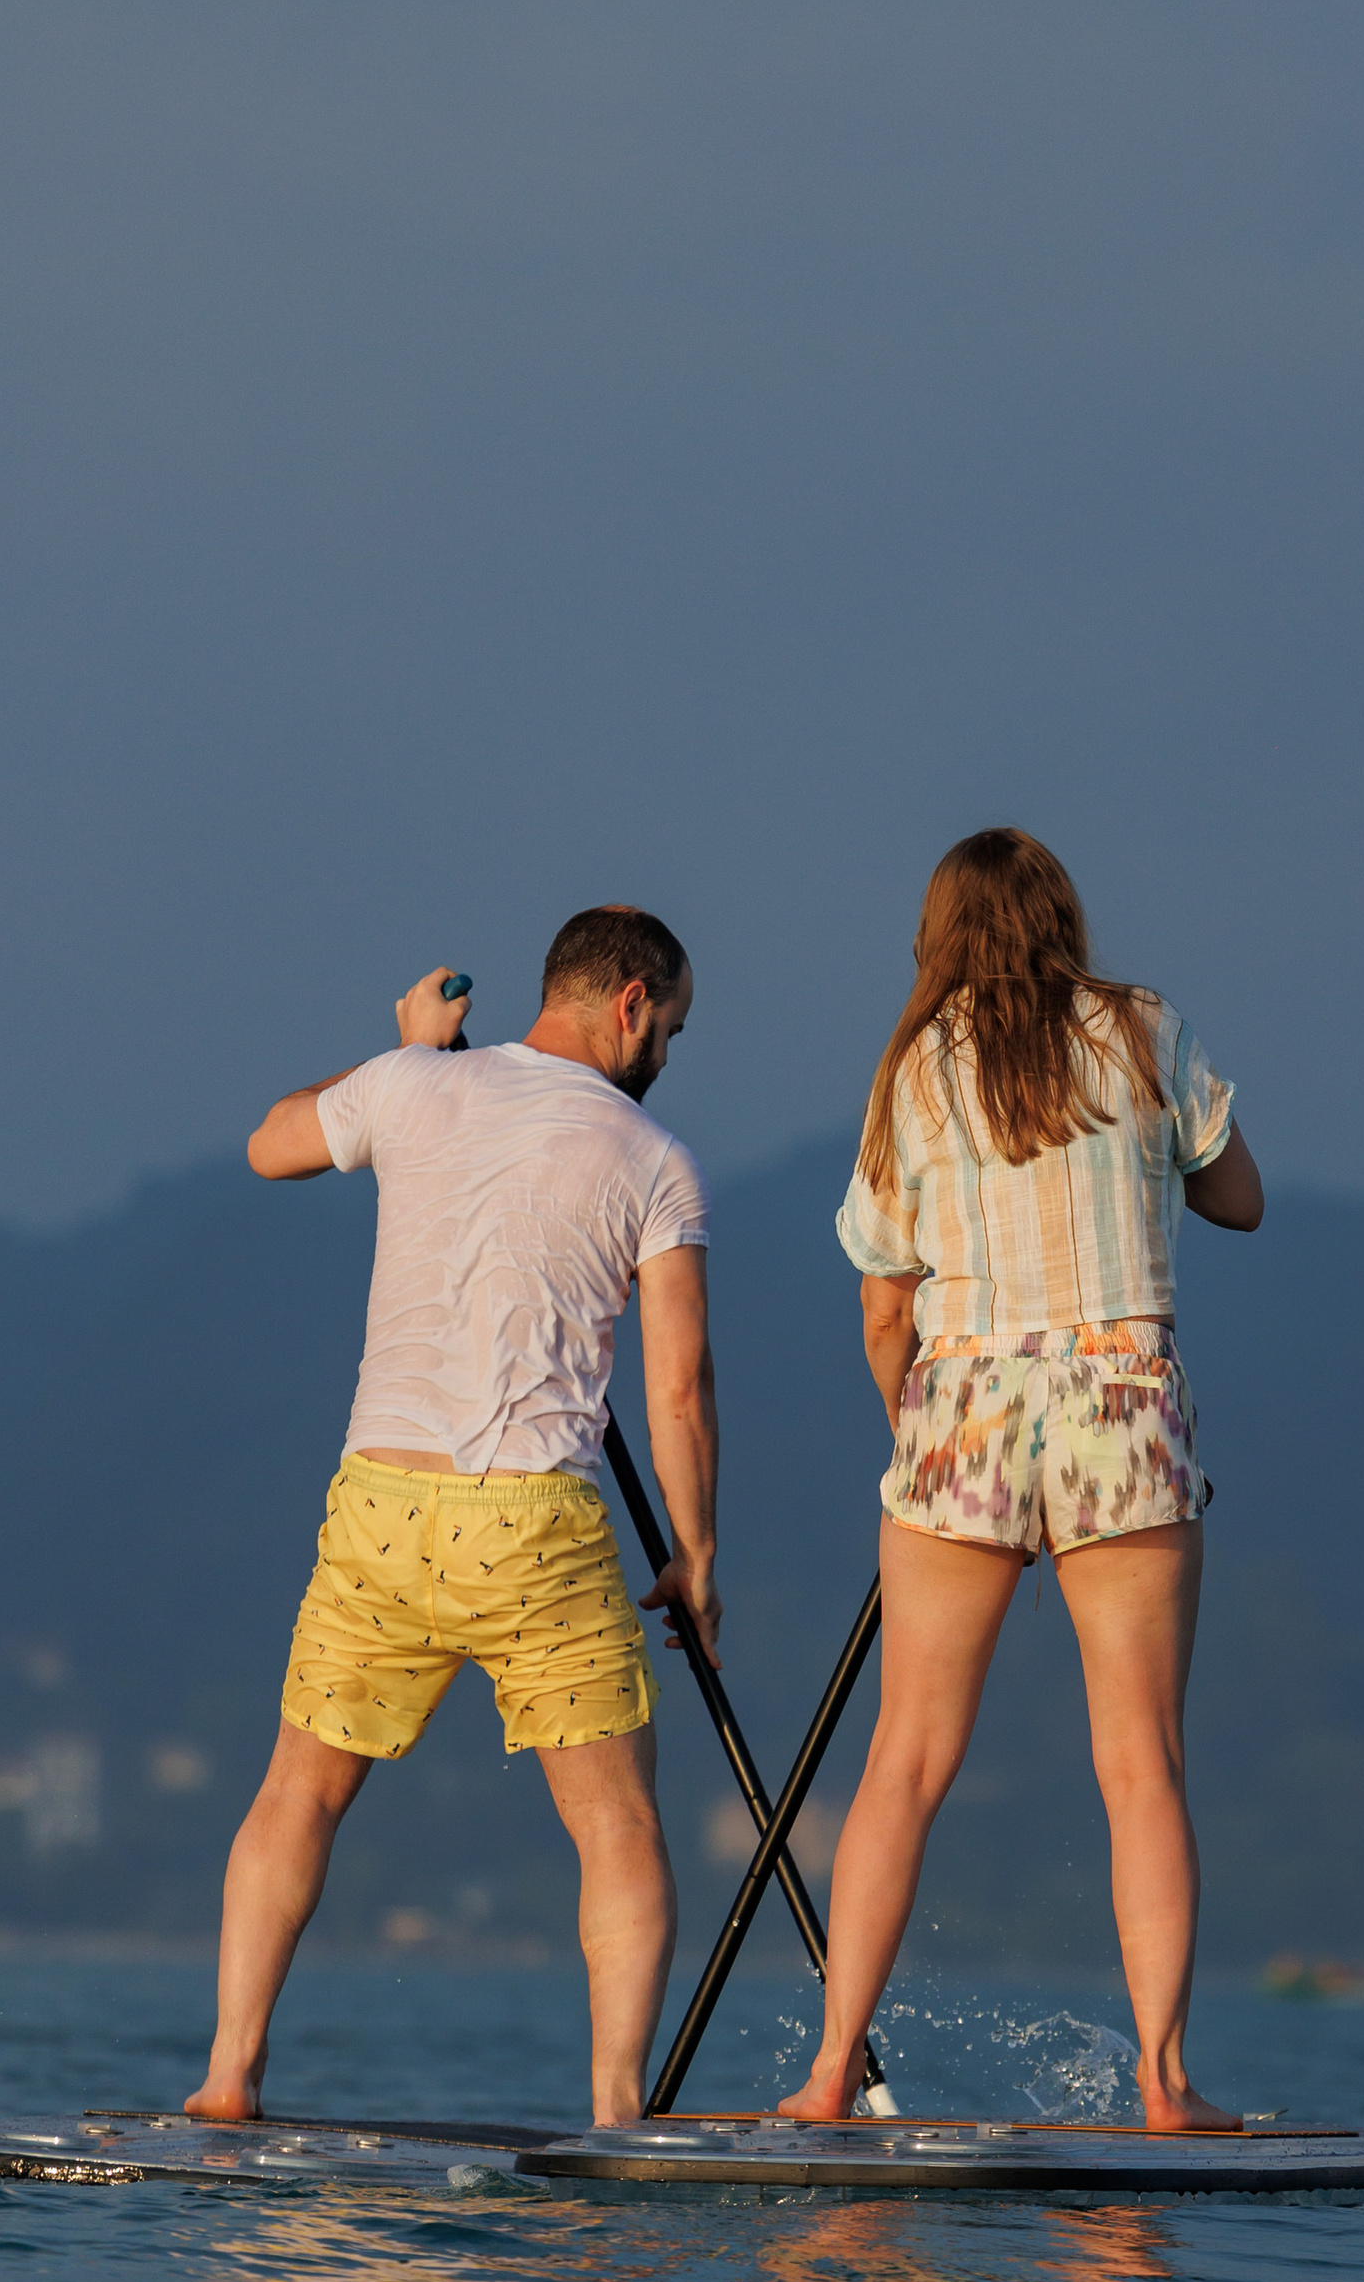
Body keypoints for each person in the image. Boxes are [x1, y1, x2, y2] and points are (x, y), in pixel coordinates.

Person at [186, 908, 718, 2127]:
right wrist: (694, 1554)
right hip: (535, 1521)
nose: (669, 1056)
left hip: (379, 1501)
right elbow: (677, 1387)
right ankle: (618, 2107)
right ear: (630, 1004)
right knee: (616, 1822)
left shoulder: (413, 1087)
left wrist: (410, 1055)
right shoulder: (653, 1159)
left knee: (297, 1796)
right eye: (672, 1028)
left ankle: (227, 2078)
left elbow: (271, 1144)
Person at [775, 828, 1263, 2133]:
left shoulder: (913, 1070)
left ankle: (829, 2076)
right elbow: (1241, 1199)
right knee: (1141, 1762)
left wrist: (918, 1432)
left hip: (963, 1404)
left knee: (904, 1763)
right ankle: (1164, 2085)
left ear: (937, 934)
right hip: (1119, 1396)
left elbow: (886, 1303)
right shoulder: (1146, 1030)